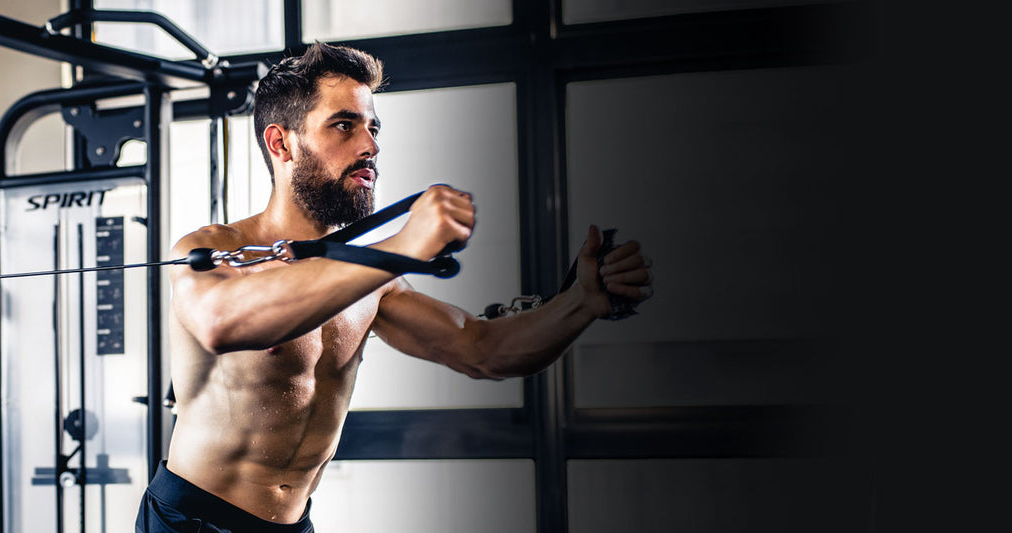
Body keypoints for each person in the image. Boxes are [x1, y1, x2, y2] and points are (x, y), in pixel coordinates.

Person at [137, 42, 654, 533]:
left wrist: (582, 302)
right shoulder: (216, 248)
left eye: (372, 128)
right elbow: (222, 321)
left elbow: (483, 349)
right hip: (191, 520)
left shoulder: (370, 279)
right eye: (344, 125)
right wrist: (403, 246)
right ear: (282, 143)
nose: (370, 146)